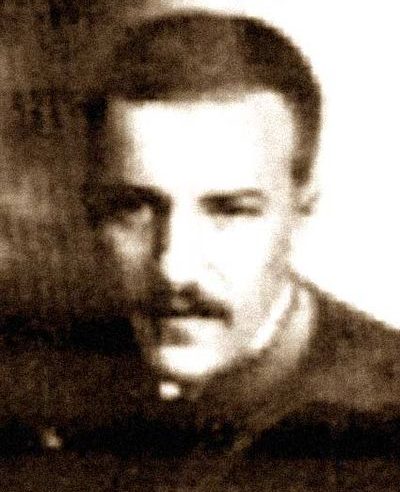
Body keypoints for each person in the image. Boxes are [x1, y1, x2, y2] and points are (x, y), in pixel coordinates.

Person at [2, 10, 400, 491]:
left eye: (229, 211)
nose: (174, 268)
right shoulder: (37, 388)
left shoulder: (384, 426)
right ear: (92, 208)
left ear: (302, 210)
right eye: (135, 208)